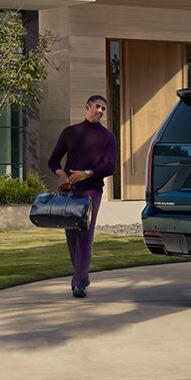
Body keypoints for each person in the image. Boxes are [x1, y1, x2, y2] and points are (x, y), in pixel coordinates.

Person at [48, 95, 117, 298]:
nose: (100, 111)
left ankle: (78, 283)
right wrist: (62, 176)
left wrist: (87, 173)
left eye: (103, 109)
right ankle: (82, 278)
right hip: (69, 191)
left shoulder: (107, 136)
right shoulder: (70, 132)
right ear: (87, 107)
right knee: (71, 236)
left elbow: (109, 166)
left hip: (92, 191)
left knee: (85, 234)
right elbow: (53, 160)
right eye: (97, 107)